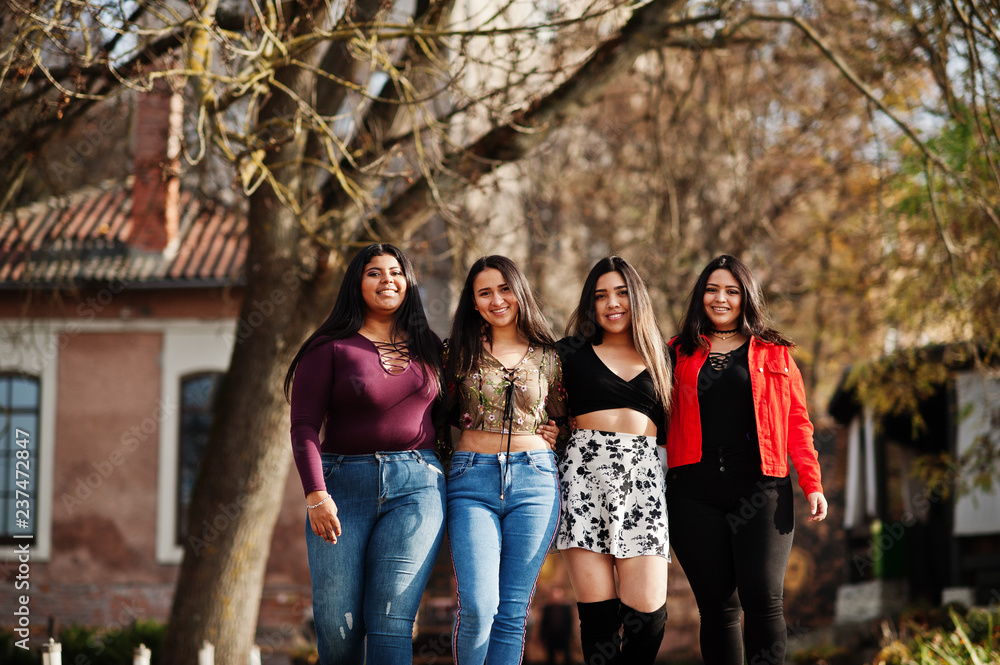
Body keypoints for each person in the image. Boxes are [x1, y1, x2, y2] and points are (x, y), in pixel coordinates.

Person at [284, 243, 447, 665]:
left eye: (396, 272)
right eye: (374, 272)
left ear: (408, 283)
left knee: (391, 621)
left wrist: (540, 424)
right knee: (338, 631)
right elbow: (303, 426)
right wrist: (316, 495)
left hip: (418, 487)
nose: (387, 280)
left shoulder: (430, 346)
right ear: (357, 284)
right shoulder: (329, 348)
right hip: (341, 490)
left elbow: (461, 413)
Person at [665, 254, 828, 665]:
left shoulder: (775, 353)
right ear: (700, 296)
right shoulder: (674, 353)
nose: (721, 299)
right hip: (693, 492)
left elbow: (797, 422)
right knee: (718, 607)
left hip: (761, 486)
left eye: (731, 291)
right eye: (712, 289)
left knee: (762, 598)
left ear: (745, 298)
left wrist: (812, 483)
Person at [443, 255, 566, 665]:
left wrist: (555, 432)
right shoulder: (455, 353)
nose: (497, 299)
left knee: (513, 613)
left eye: (504, 288)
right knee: (479, 606)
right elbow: (436, 418)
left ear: (520, 292)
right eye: (485, 292)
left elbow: (566, 417)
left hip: (535, 482)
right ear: (473, 302)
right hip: (471, 481)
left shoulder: (550, 355)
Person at [555, 256, 672, 665]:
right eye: (601, 295)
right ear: (591, 304)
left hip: (644, 481)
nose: (612, 303)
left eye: (621, 293)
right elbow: (544, 409)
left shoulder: (663, 356)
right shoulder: (568, 353)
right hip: (583, 478)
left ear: (636, 297)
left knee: (649, 614)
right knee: (599, 618)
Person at [539, 586, 574, 665]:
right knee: (550, 657)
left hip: (564, 635)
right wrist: (542, 636)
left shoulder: (566, 608)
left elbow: (569, 622)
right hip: (551, 636)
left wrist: (570, 635)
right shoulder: (547, 609)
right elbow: (544, 623)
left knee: (567, 656)